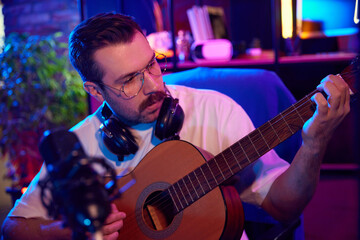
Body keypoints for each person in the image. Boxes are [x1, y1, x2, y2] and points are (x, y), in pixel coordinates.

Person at [1, 12, 350, 240]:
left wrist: (315, 142)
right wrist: (71, 231)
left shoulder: (216, 110)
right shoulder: (79, 146)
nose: (154, 85)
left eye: (152, 65)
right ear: (95, 91)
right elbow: (12, 230)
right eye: (128, 80)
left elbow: (283, 205)